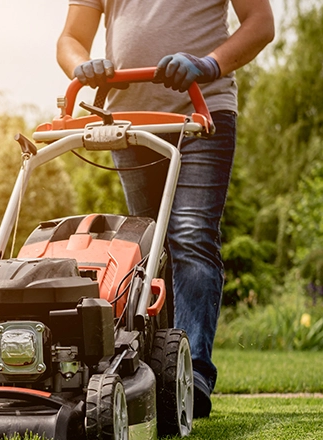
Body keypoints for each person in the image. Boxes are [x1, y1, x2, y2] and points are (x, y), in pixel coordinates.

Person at [57, 0, 274, 417]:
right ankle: (160, 369)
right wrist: (82, 66)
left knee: (190, 234)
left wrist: (209, 65)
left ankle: (193, 375)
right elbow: (70, 39)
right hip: (131, 122)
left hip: (201, 110)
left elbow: (261, 24)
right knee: (153, 249)